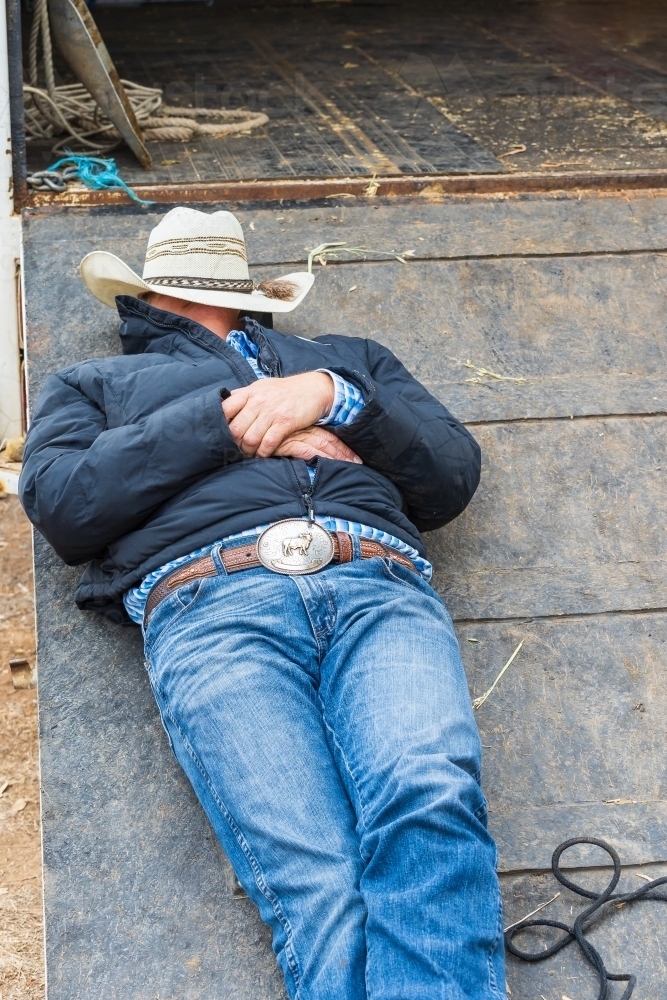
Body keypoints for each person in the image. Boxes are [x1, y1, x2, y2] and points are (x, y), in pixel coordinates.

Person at [20, 207, 505, 1000]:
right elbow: (66, 506)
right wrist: (233, 424)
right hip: (211, 601)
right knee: (313, 876)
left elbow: (449, 478)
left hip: (374, 580)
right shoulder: (94, 383)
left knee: (429, 794)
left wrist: (333, 397)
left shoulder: (348, 361)